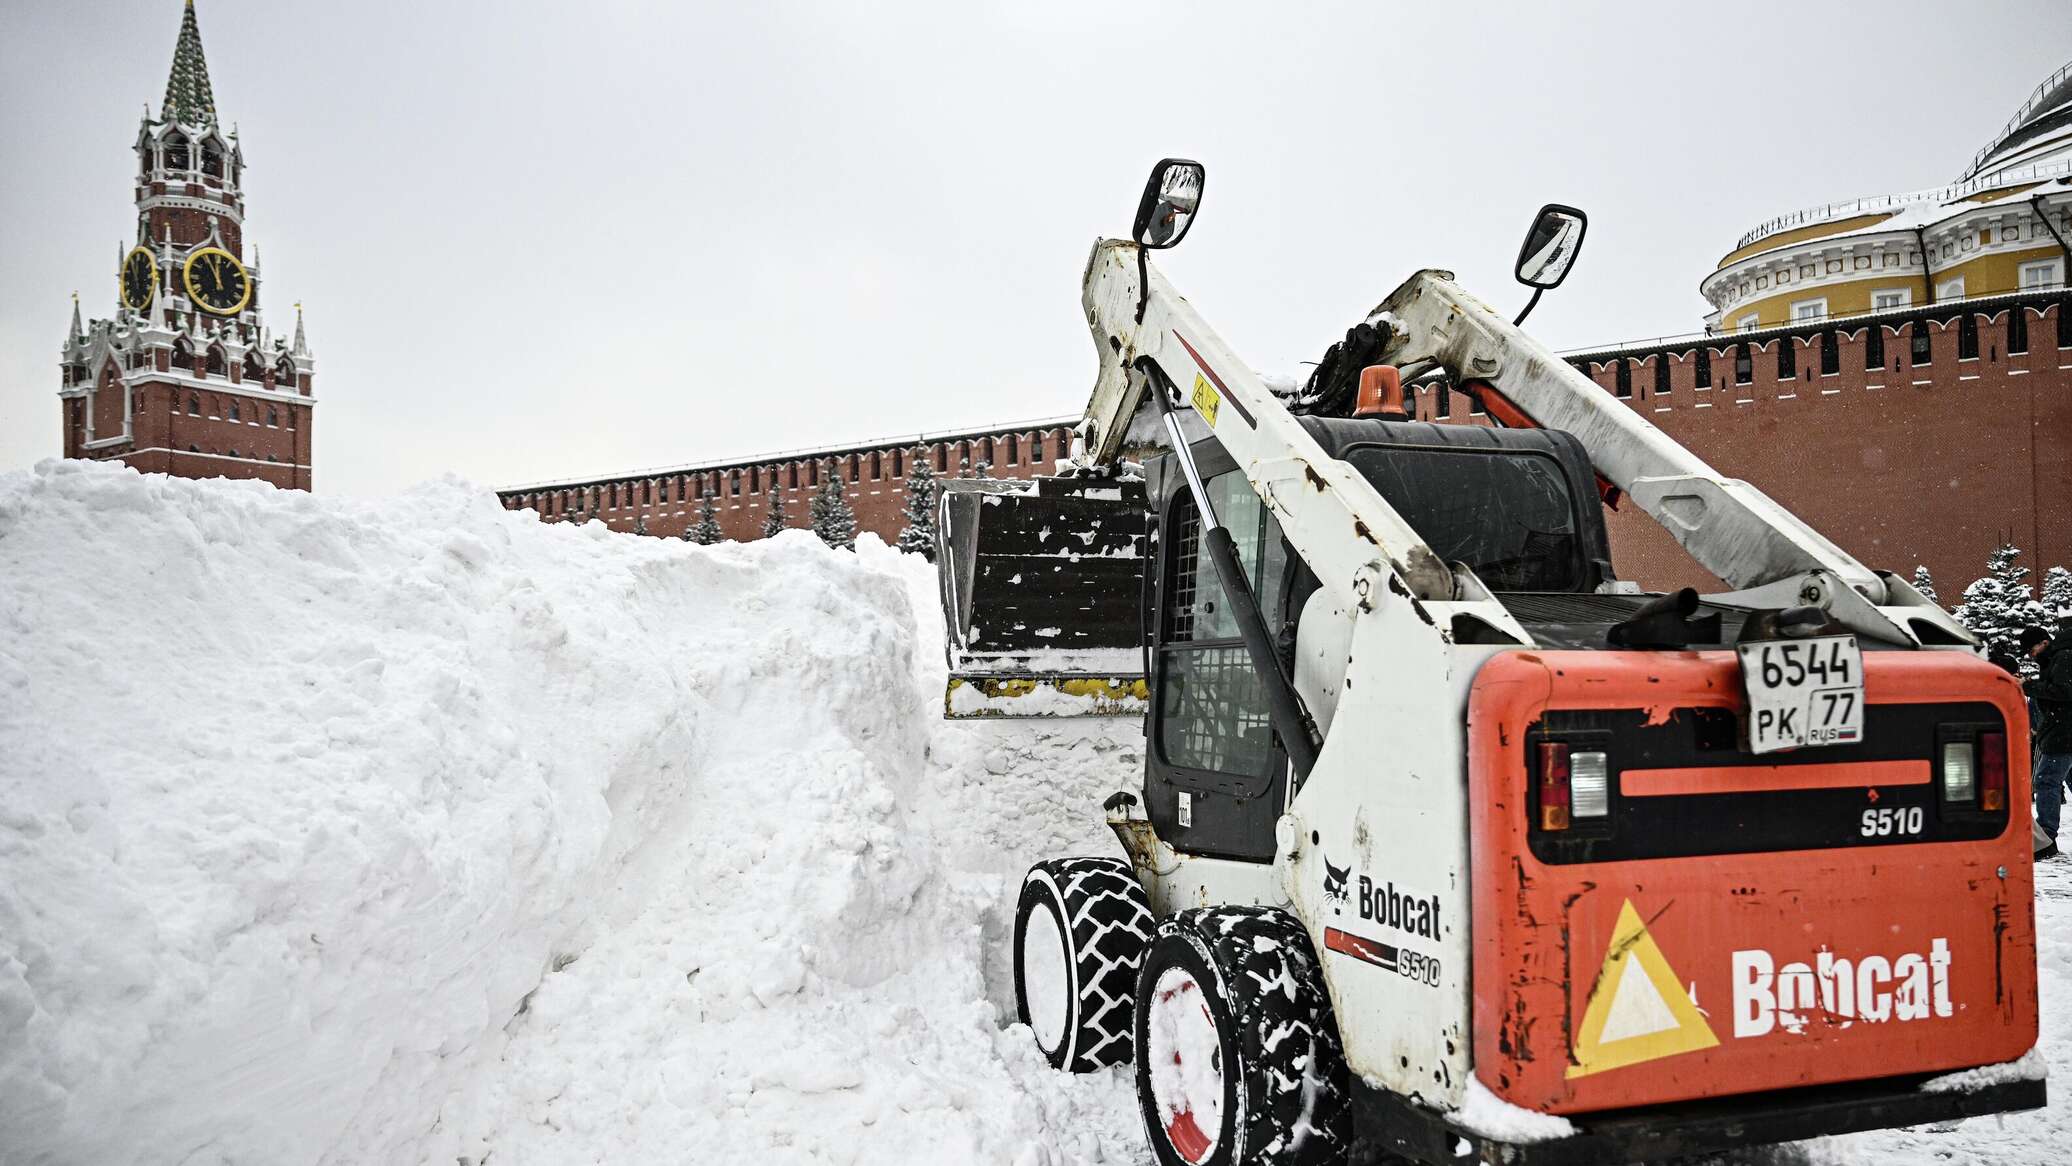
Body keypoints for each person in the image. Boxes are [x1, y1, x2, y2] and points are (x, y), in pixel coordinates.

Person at [2025, 623, 2071, 859]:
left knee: (2046, 781)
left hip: (2063, 733)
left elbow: (2063, 691)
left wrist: (2029, 686)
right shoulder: (2058, 656)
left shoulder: (2062, 657)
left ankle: (2045, 839)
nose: (2032, 656)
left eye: (2031, 650)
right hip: (2061, 730)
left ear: (2043, 642)